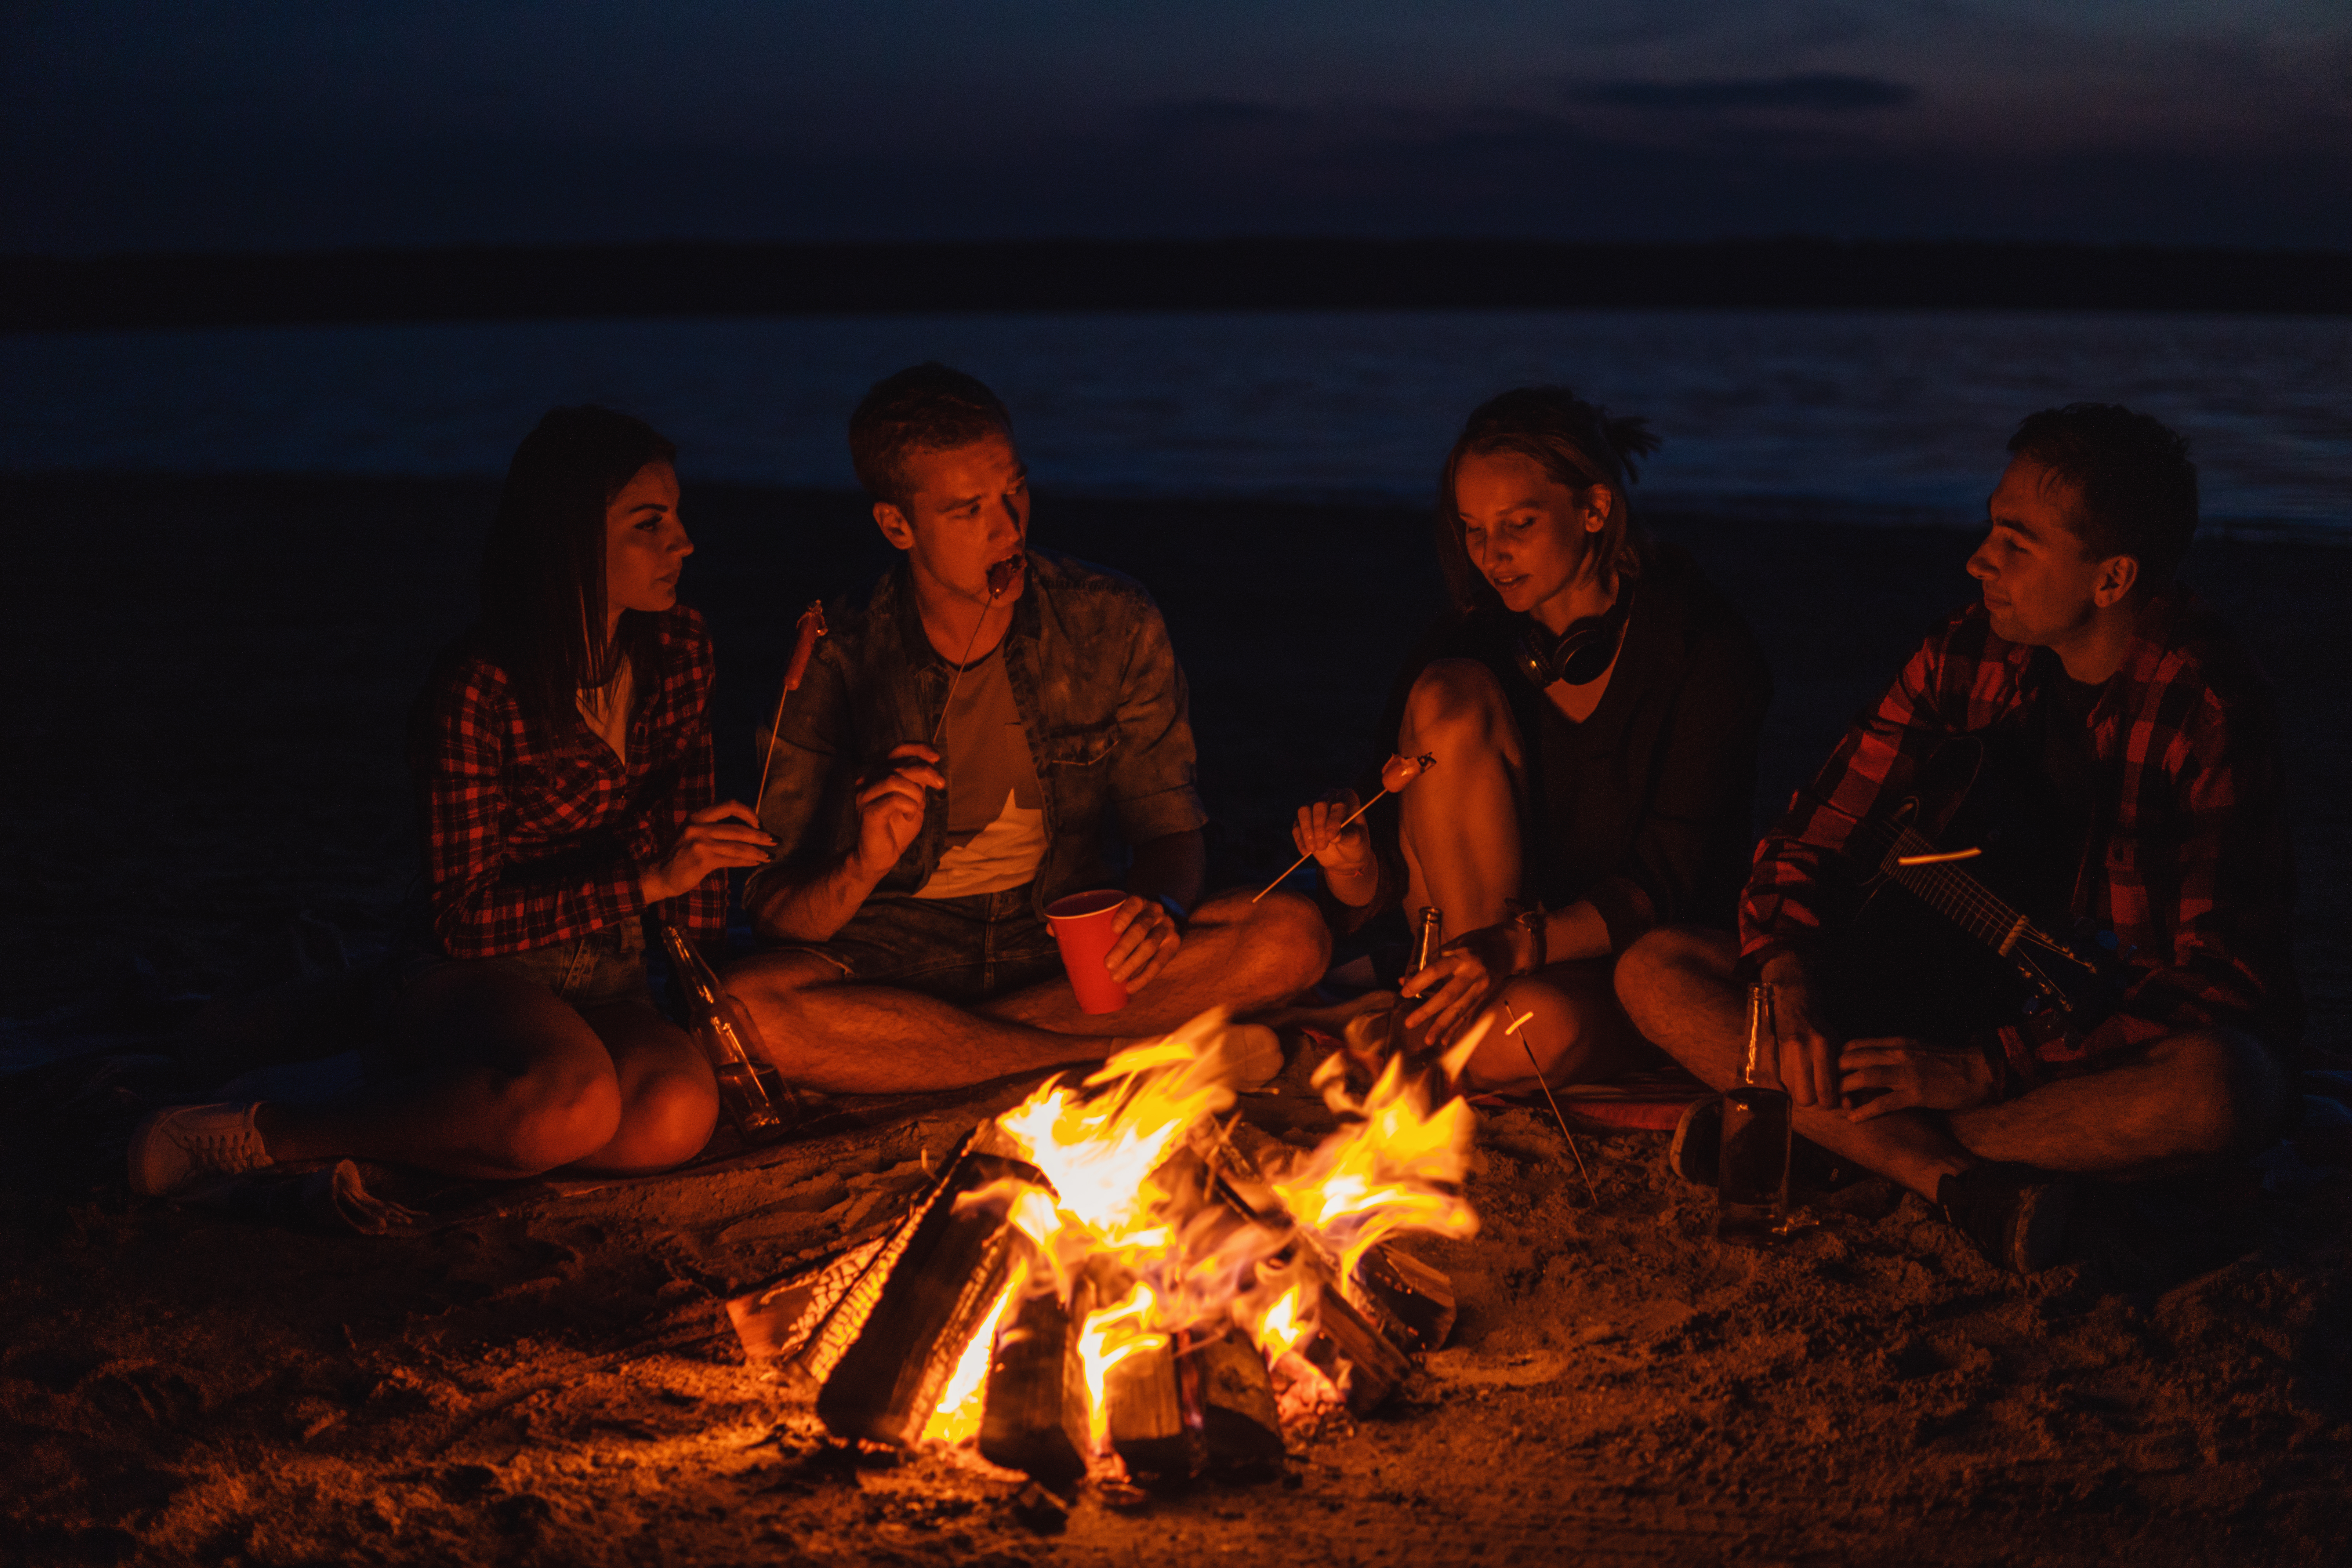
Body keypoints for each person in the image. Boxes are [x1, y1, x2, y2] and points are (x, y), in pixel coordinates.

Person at [1616, 403, 2303, 1273]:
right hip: (1940, 998)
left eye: (2018, 543)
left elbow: (2219, 980)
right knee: (1658, 969)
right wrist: (1787, 977)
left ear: (2112, 577)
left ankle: (1838, 1146)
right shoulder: (1966, 655)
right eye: (1991, 528)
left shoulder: (2204, 707)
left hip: (2087, 1046)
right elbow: (1811, 837)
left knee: (2221, 1091)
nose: (1980, 560)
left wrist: (1988, 1065)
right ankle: (1945, 1175)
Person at [130, 406, 772, 1195]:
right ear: (571, 540)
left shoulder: (680, 647)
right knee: (572, 1100)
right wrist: (643, 884)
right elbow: (463, 915)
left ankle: (442, 1096)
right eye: (651, 524)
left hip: (611, 968)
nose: (684, 542)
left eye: (678, 516)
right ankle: (280, 1129)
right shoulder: (479, 688)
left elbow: (693, 834)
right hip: (480, 963)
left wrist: (699, 991)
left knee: (671, 1115)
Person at [724, 363, 1328, 1094]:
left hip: (1057, 940)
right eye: (968, 510)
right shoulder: (833, 652)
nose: (1008, 529)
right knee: (743, 1011)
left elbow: (1168, 826)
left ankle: (945, 1052)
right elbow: (775, 912)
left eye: (1015, 490)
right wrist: (861, 864)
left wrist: (1159, 912)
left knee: (1287, 936)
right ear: (896, 525)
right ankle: (1101, 1061)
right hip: (890, 956)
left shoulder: (1110, 618)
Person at [1291, 386, 1771, 1093]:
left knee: (1539, 1030)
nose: (1493, 554)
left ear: (1595, 509)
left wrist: (1516, 948)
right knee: (1445, 692)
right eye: (1472, 529)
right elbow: (1383, 878)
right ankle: (1435, 1026)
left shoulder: (1703, 649)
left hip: (1613, 961)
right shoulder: (1469, 644)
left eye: (1518, 523)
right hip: (1472, 957)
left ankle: (1397, 1037)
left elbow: (1669, 880)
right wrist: (1348, 858)